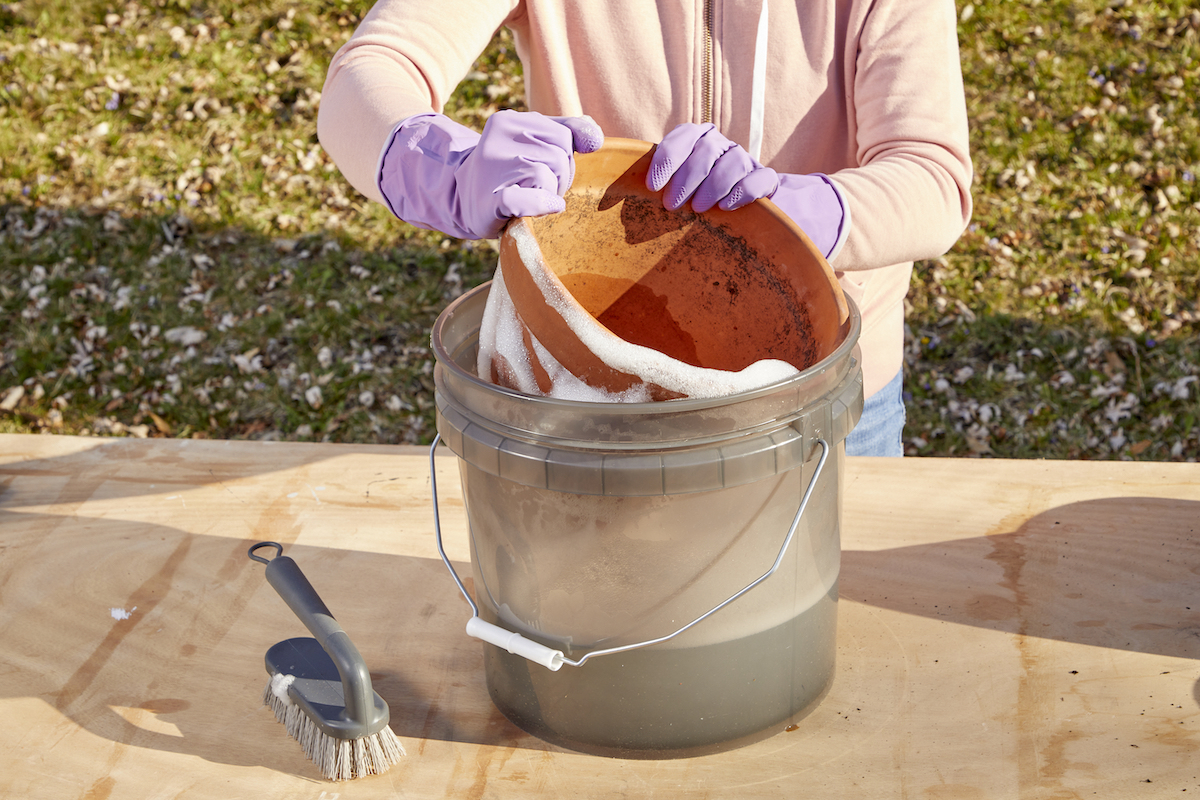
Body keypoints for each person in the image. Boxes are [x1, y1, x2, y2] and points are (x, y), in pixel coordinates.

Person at [316, 0, 974, 456]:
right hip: (585, 391)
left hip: (813, 400)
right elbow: (370, 73)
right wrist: (440, 168)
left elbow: (932, 178)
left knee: (819, 637)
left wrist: (788, 215)